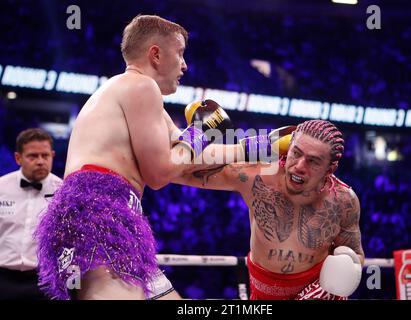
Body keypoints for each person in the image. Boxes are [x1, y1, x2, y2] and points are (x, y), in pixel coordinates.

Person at [35, 15, 233, 300]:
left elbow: (184, 158)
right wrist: (201, 134)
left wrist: (263, 146)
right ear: (155, 54)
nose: (185, 65)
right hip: (100, 215)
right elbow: (160, 172)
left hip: (106, 214)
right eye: (179, 54)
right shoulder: (142, 87)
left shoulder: (129, 92)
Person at [174, 120, 365, 300]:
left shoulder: (343, 200)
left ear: (330, 168)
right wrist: (197, 130)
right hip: (262, 293)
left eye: (313, 161)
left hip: (316, 290)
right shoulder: (256, 175)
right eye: (296, 153)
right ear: (287, 148)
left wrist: (341, 277)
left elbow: (355, 254)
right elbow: (178, 170)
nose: (299, 166)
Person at [0, 128, 62, 299]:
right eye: (33, 156)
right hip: (3, 278)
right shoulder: (1, 187)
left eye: (45, 155)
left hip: (45, 281)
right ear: (18, 158)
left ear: (52, 156)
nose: (40, 161)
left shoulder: (64, 192)